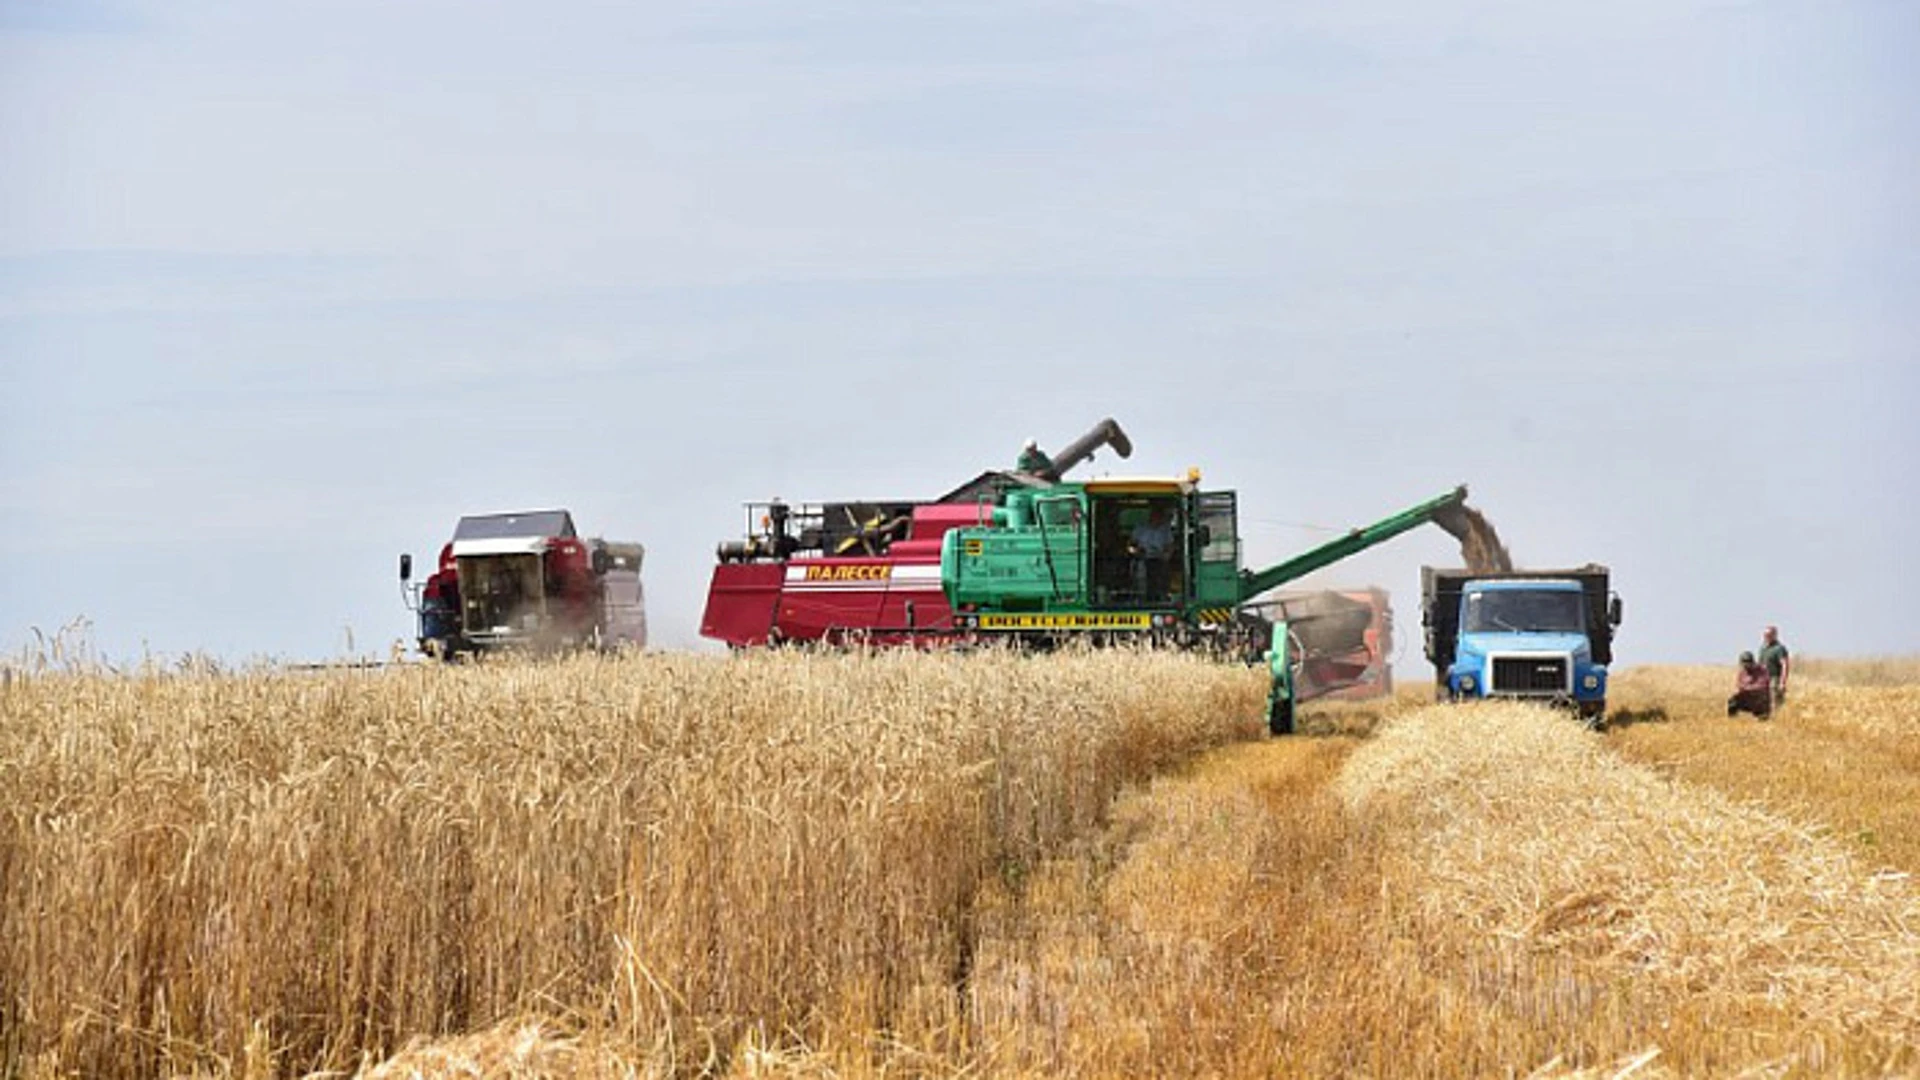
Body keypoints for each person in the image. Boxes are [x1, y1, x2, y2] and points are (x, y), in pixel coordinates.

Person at [1129, 506, 1174, 599]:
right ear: (1151, 516)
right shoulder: (1140, 528)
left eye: (1160, 517)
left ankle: (1162, 595)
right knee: (1139, 571)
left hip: (1159, 559)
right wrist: (1136, 551)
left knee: (1163, 571)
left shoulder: (1165, 530)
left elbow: (1170, 546)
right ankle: (1140, 596)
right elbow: (1131, 545)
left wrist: (1166, 555)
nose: (1158, 519)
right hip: (1142, 558)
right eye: (1155, 516)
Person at [1727, 650, 1772, 718]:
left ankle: (1762, 716)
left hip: (1759, 699)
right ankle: (1733, 721)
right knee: (1732, 701)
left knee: (1762, 699)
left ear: (1752, 662)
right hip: (1747, 698)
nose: (1745, 666)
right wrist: (1745, 688)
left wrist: (1748, 688)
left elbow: (1762, 686)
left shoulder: (1762, 670)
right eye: (1743, 664)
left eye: (1747, 664)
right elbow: (1739, 685)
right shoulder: (1742, 672)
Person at [1760, 625, 1791, 708]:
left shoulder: (1779, 648)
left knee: (1775, 704)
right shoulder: (1763, 648)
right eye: (1765, 635)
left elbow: (1785, 665)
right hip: (1764, 680)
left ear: (1774, 635)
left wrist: (1782, 682)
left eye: (1769, 635)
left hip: (1775, 679)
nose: (1766, 637)